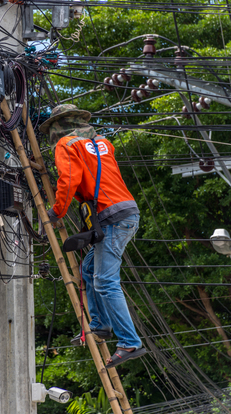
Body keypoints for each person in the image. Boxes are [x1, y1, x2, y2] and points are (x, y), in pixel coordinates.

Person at [39, 104, 146, 368]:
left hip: (112, 218)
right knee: (89, 269)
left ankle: (130, 342)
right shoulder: (102, 143)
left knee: (106, 281)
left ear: (57, 126)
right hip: (126, 211)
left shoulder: (66, 144)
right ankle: (100, 325)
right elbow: (96, 176)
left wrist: (57, 212)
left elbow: (69, 179)